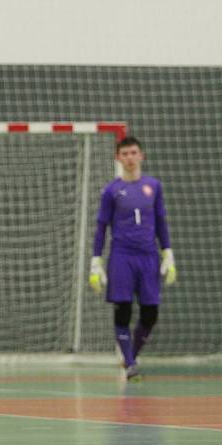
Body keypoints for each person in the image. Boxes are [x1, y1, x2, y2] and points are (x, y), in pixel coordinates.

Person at [88, 136, 176, 381]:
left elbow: (160, 222)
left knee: (150, 314)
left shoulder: (153, 186)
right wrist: (96, 260)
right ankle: (130, 364)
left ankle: (131, 357)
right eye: (124, 153)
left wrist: (167, 253)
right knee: (123, 309)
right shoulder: (111, 190)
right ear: (118, 157)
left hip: (148, 256)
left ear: (141, 155)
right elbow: (101, 226)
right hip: (122, 256)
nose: (129, 158)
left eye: (133, 153)